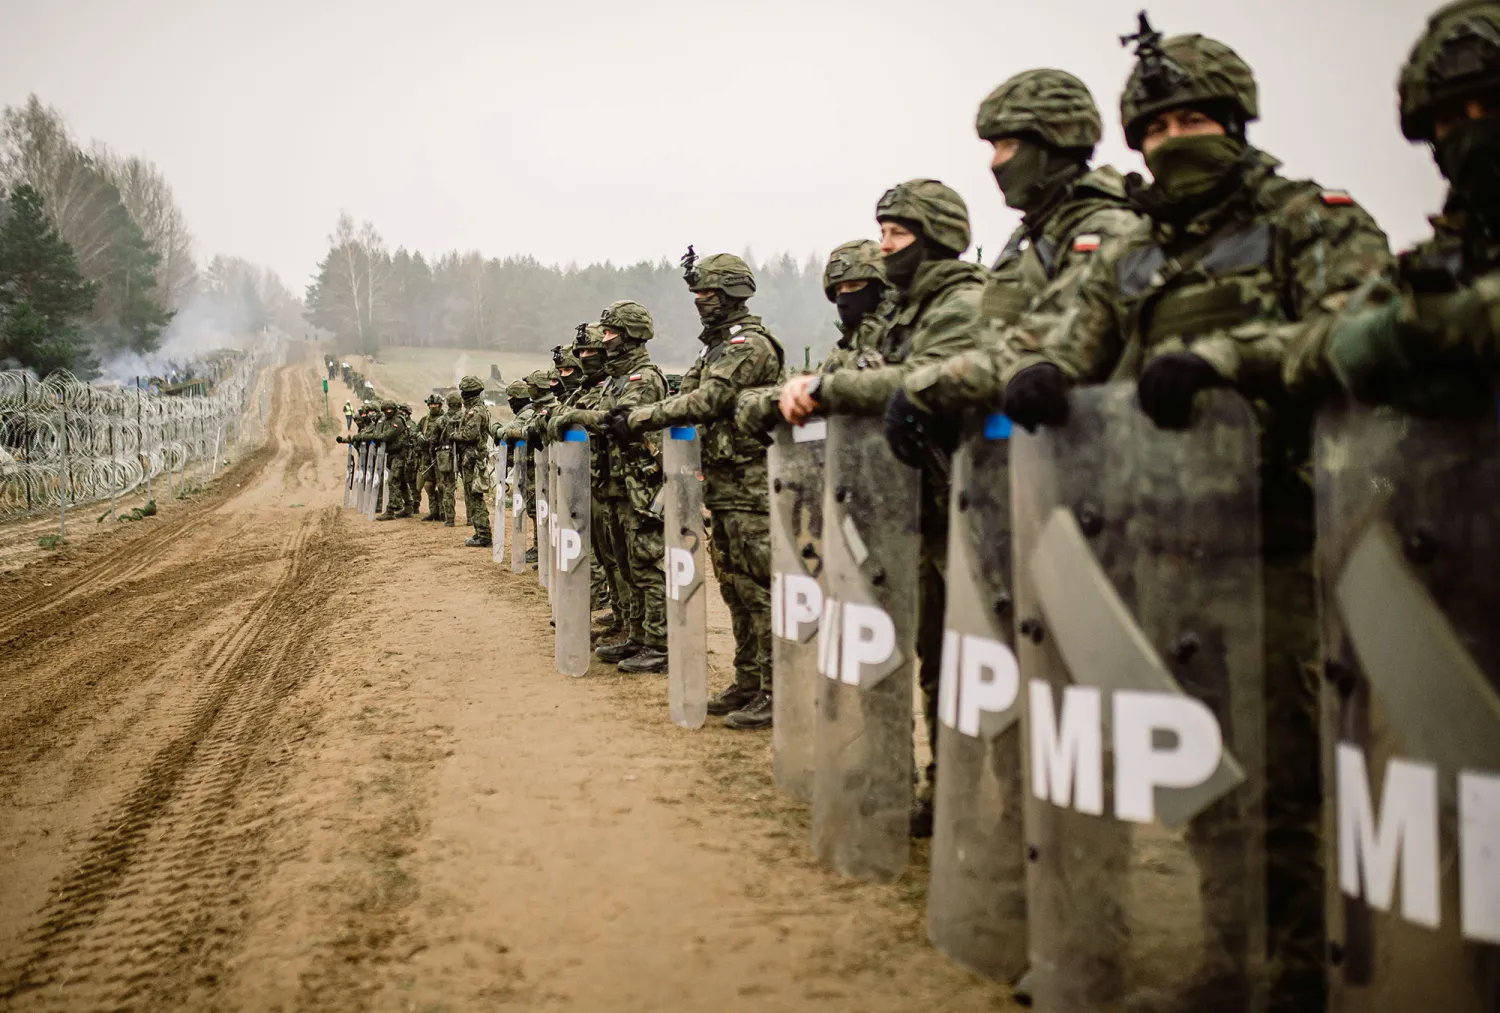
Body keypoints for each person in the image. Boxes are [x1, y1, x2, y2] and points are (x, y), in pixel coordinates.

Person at [968, 22, 1390, 1011]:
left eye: (1194, 119)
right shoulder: (1135, 249)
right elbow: (1076, 342)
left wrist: (1228, 361)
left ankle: (1298, 977)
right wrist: (1040, 377)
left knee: (1283, 776)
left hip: (1288, 541)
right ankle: (1230, 961)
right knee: (1204, 777)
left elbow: (1356, 331)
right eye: (1153, 127)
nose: (1172, 139)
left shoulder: (1309, 220)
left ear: (1236, 122)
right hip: (1165, 544)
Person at [779, 180, 987, 834]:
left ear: (934, 236)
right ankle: (918, 784)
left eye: (895, 235)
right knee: (911, 653)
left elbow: (917, 379)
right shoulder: (906, 313)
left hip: (968, 513)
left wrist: (827, 387)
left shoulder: (964, 303)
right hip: (904, 514)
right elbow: (859, 374)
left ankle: (968, 800)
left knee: (964, 664)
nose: (885, 248)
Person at [888, 69, 1144, 428]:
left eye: (1009, 147)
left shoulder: (1105, 228)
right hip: (1026, 453)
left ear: (1053, 143)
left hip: (1097, 444)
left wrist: (925, 388)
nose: (996, 163)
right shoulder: (1027, 239)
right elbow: (992, 341)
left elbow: (1056, 345)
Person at [1302, 0, 1500, 412]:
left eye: (1493, 105)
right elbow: (1310, 341)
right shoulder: (1442, 260)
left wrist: (1455, 323)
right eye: (1454, 117)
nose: (1476, 127)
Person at [615, 252, 784, 729]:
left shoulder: (748, 345)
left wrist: (637, 418)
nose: (700, 303)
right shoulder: (712, 350)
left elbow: (709, 401)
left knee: (760, 591)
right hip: (724, 485)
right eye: (696, 295)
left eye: (707, 294)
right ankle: (748, 682)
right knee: (734, 589)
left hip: (752, 486)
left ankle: (776, 688)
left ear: (732, 293)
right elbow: (680, 398)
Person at [554, 301, 670, 673]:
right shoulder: (617, 380)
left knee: (646, 566)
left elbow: (617, 420)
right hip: (615, 484)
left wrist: (574, 416)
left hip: (639, 486)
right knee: (625, 564)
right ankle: (637, 636)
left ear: (630, 334)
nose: (603, 342)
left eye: (609, 334)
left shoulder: (644, 378)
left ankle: (660, 644)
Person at [735, 239, 892, 437]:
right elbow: (815, 380)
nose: (844, 298)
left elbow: (851, 388)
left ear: (881, 288)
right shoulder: (849, 348)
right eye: (838, 290)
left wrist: (797, 394)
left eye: (854, 286)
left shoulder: (896, 337)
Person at [454, 375, 493, 547]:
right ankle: (480, 532)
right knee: (472, 495)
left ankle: (483, 535)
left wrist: (454, 435)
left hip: (473, 457)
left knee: (475, 495)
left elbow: (470, 435)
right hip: (470, 456)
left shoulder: (475, 411)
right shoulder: (477, 409)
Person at [415, 394, 445, 521]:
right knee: (428, 485)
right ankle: (433, 512)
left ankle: (444, 512)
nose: (433, 407)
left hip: (441, 456)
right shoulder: (424, 420)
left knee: (442, 485)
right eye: (431, 405)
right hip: (426, 456)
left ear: (440, 405)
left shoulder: (445, 419)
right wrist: (419, 437)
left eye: (435, 405)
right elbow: (414, 432)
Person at [436, 391, 463, 527]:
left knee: (449, 487)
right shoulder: (465, 417)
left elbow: (434, 441)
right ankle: (470, 518)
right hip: (464, 454)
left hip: (446, 455)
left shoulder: (441, 420)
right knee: (469, 487)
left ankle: (450, 519)